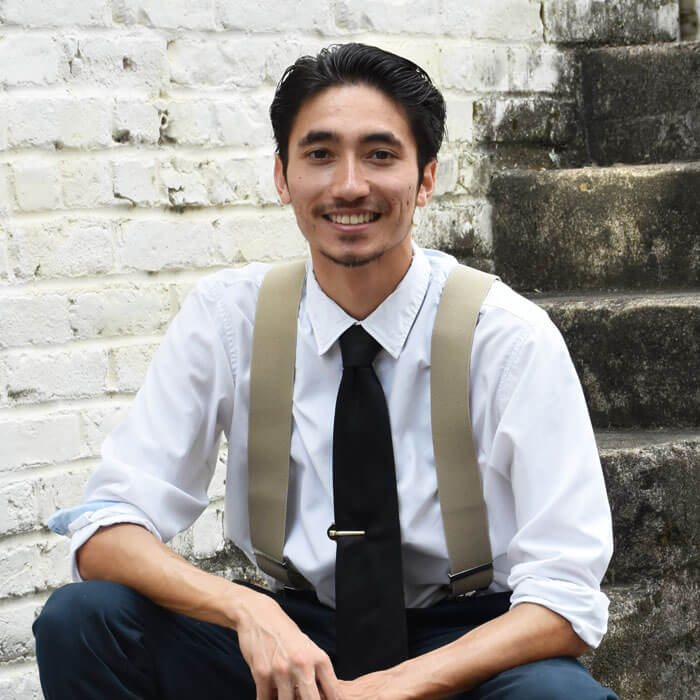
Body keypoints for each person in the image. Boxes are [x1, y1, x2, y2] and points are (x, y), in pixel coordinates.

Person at [33, 43, 617, 699]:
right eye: (319, 154)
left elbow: (566, 600)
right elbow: (106, 529)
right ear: (282, 177)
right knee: (84, 622)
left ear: (426, 178)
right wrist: (245, 608)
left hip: (460, 639)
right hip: (290, 635)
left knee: (559, 697)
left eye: (381, 155)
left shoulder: (507, 337)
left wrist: (392, 688)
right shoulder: (229, 319)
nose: (349, 185)